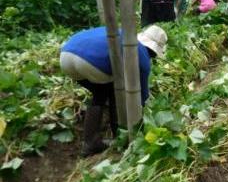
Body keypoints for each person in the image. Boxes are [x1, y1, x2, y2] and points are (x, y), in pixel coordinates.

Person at [60, 25, 167, 156]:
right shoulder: (143, 56)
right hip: (90, 61)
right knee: (111, 93)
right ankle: (103, 139)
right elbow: (142, 97)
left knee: (101, 92)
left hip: (66, 55)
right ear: (154, 51)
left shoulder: (125, 34)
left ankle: (98, 137)